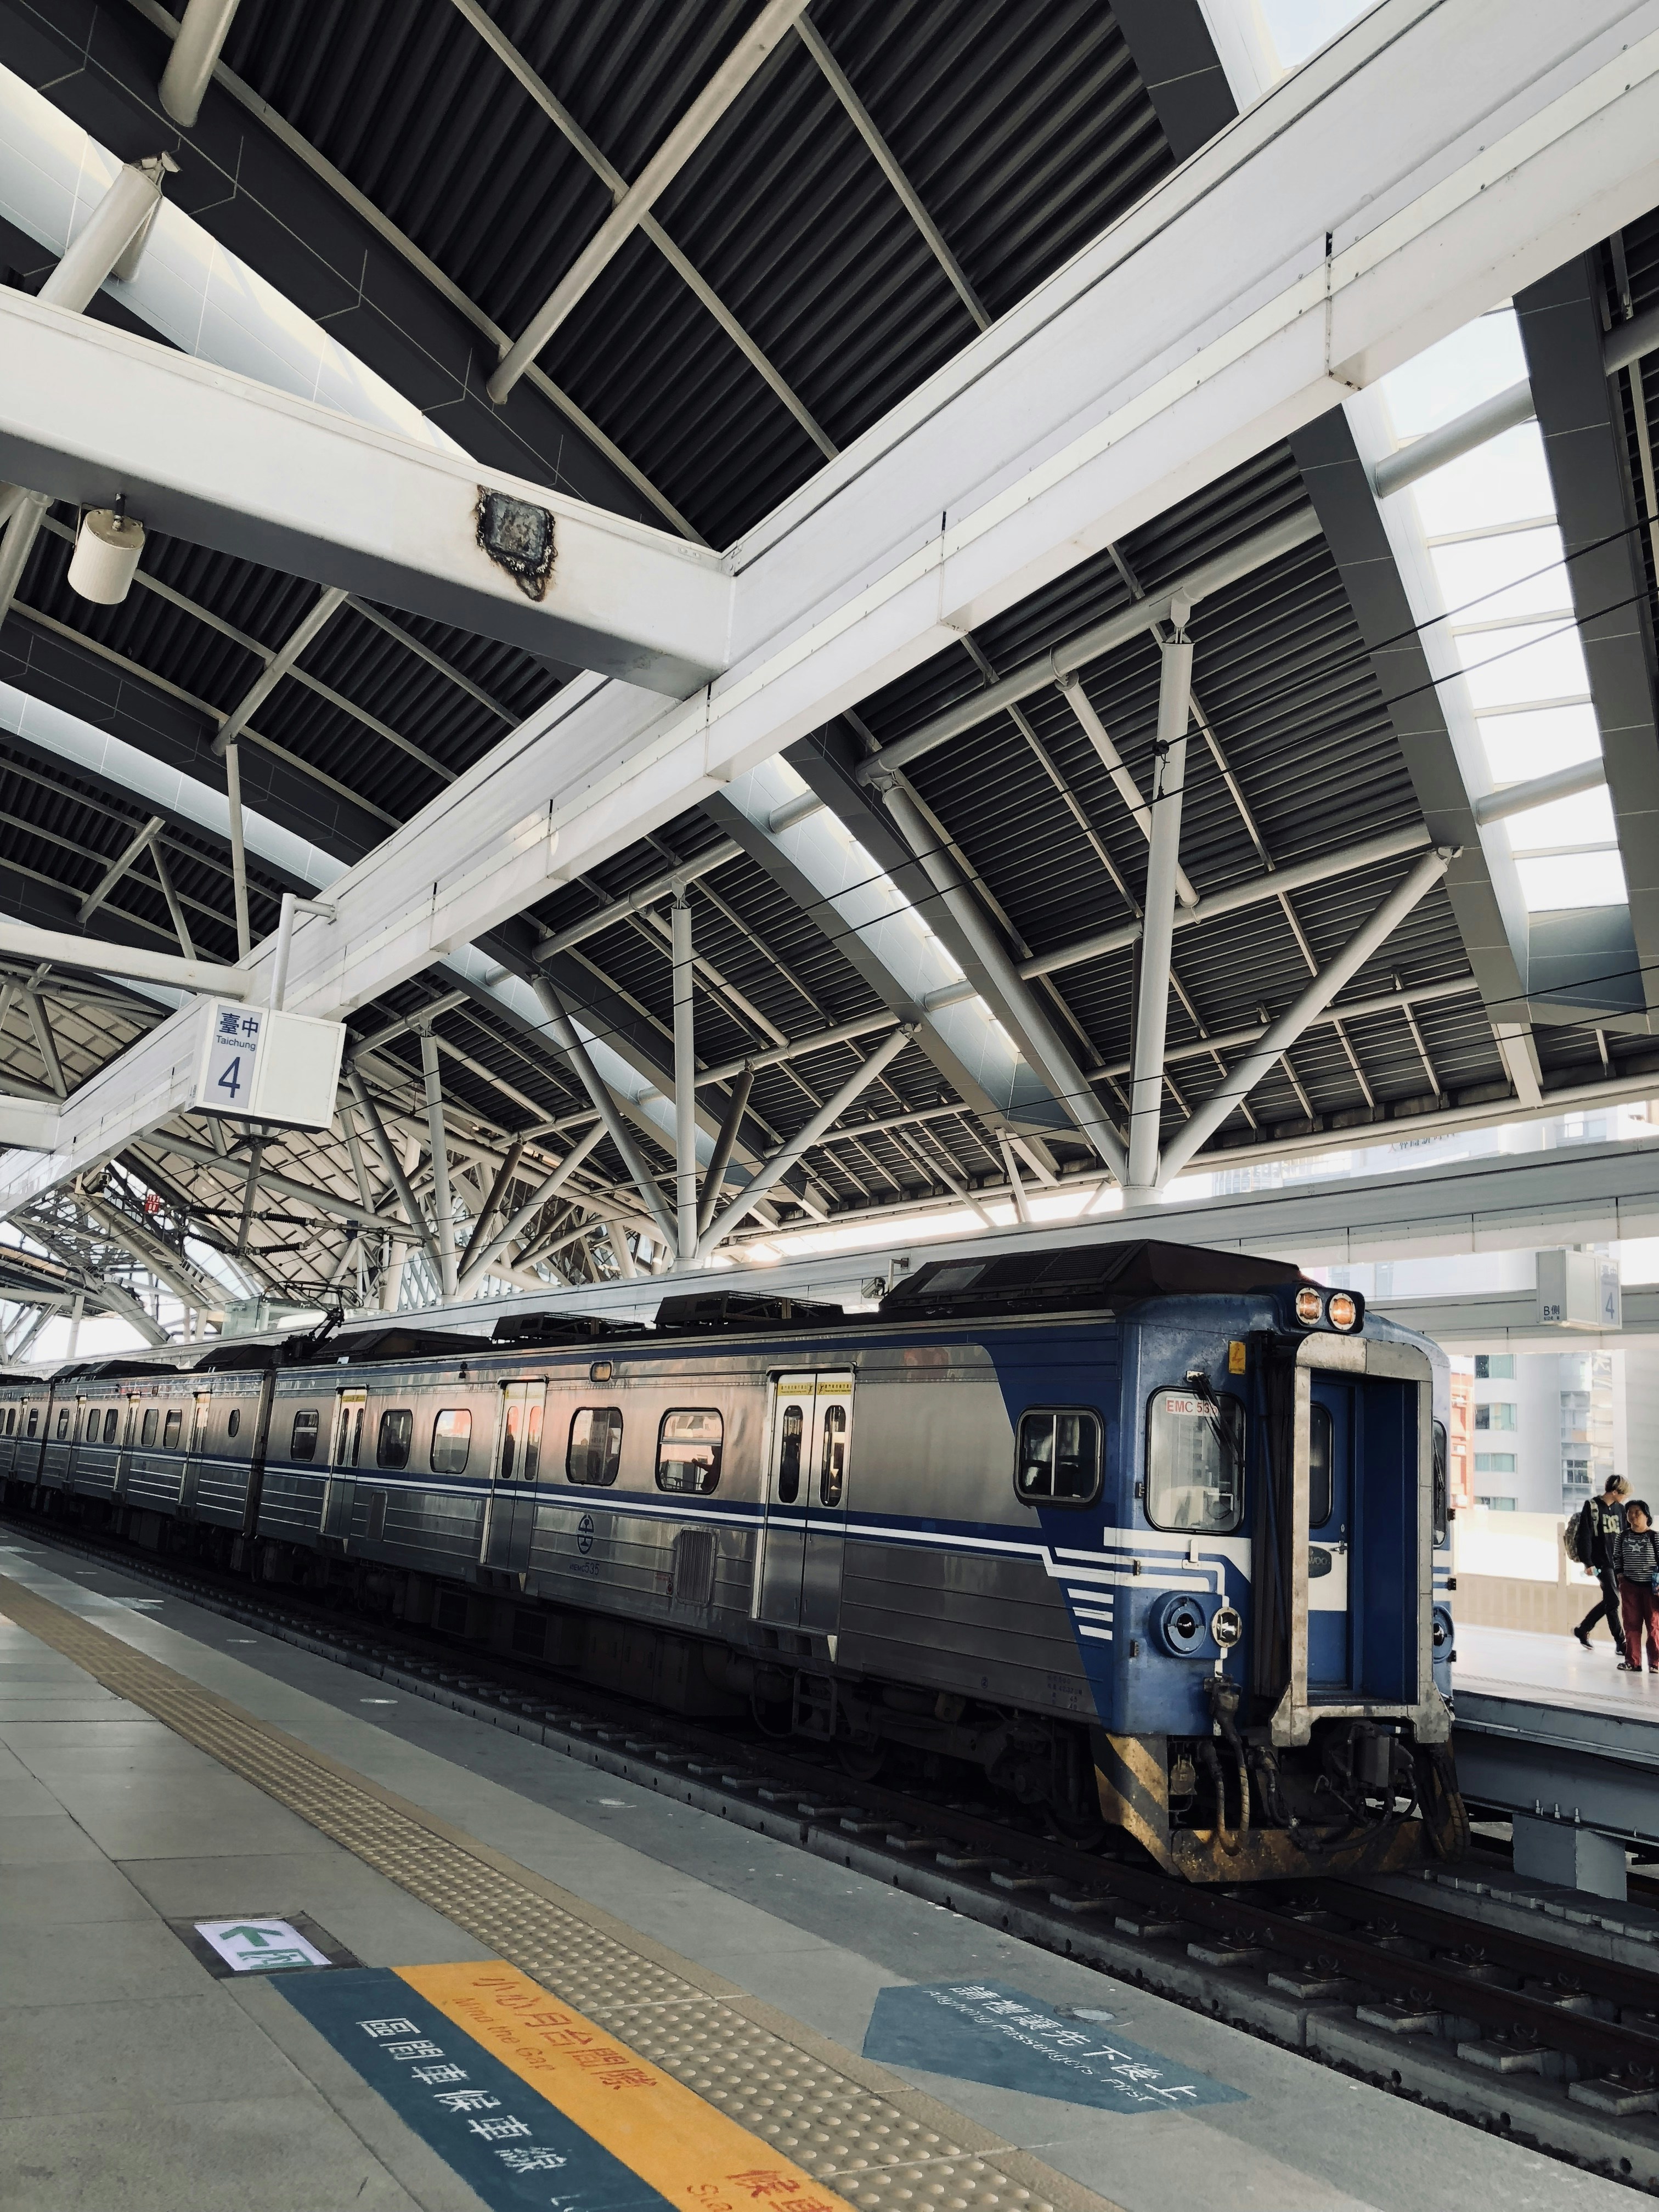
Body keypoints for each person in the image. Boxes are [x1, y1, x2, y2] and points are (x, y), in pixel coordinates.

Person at [1575, 1474, 1631, 1658]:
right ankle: (1621, 1643)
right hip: (1601, 1562)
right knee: (1614, 1602)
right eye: (1623, 1494)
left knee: (1610, 1601)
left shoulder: (1621, 1510)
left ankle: (1583, 1629)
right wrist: (1588, 1563)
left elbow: (1624, 1537)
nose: (1625, 1497)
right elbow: (1585, 1536)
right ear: (1615, 1492)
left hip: (1617, 1562)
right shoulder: (1592, 1507)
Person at [1618, 1499, 1659, 1674]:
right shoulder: (1623, 1536)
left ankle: (1656, 1663)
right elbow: (1617, 1558)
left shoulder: (1654, 1536)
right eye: (1630, 1512)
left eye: (1638, 1513)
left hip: (1652, 1588)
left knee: (1654, 1624)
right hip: (1630, 1586)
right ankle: (1633, 1661)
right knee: (1631, 1624)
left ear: (1647, 1516)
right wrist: (1621, 1577)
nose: (1633, 1516)